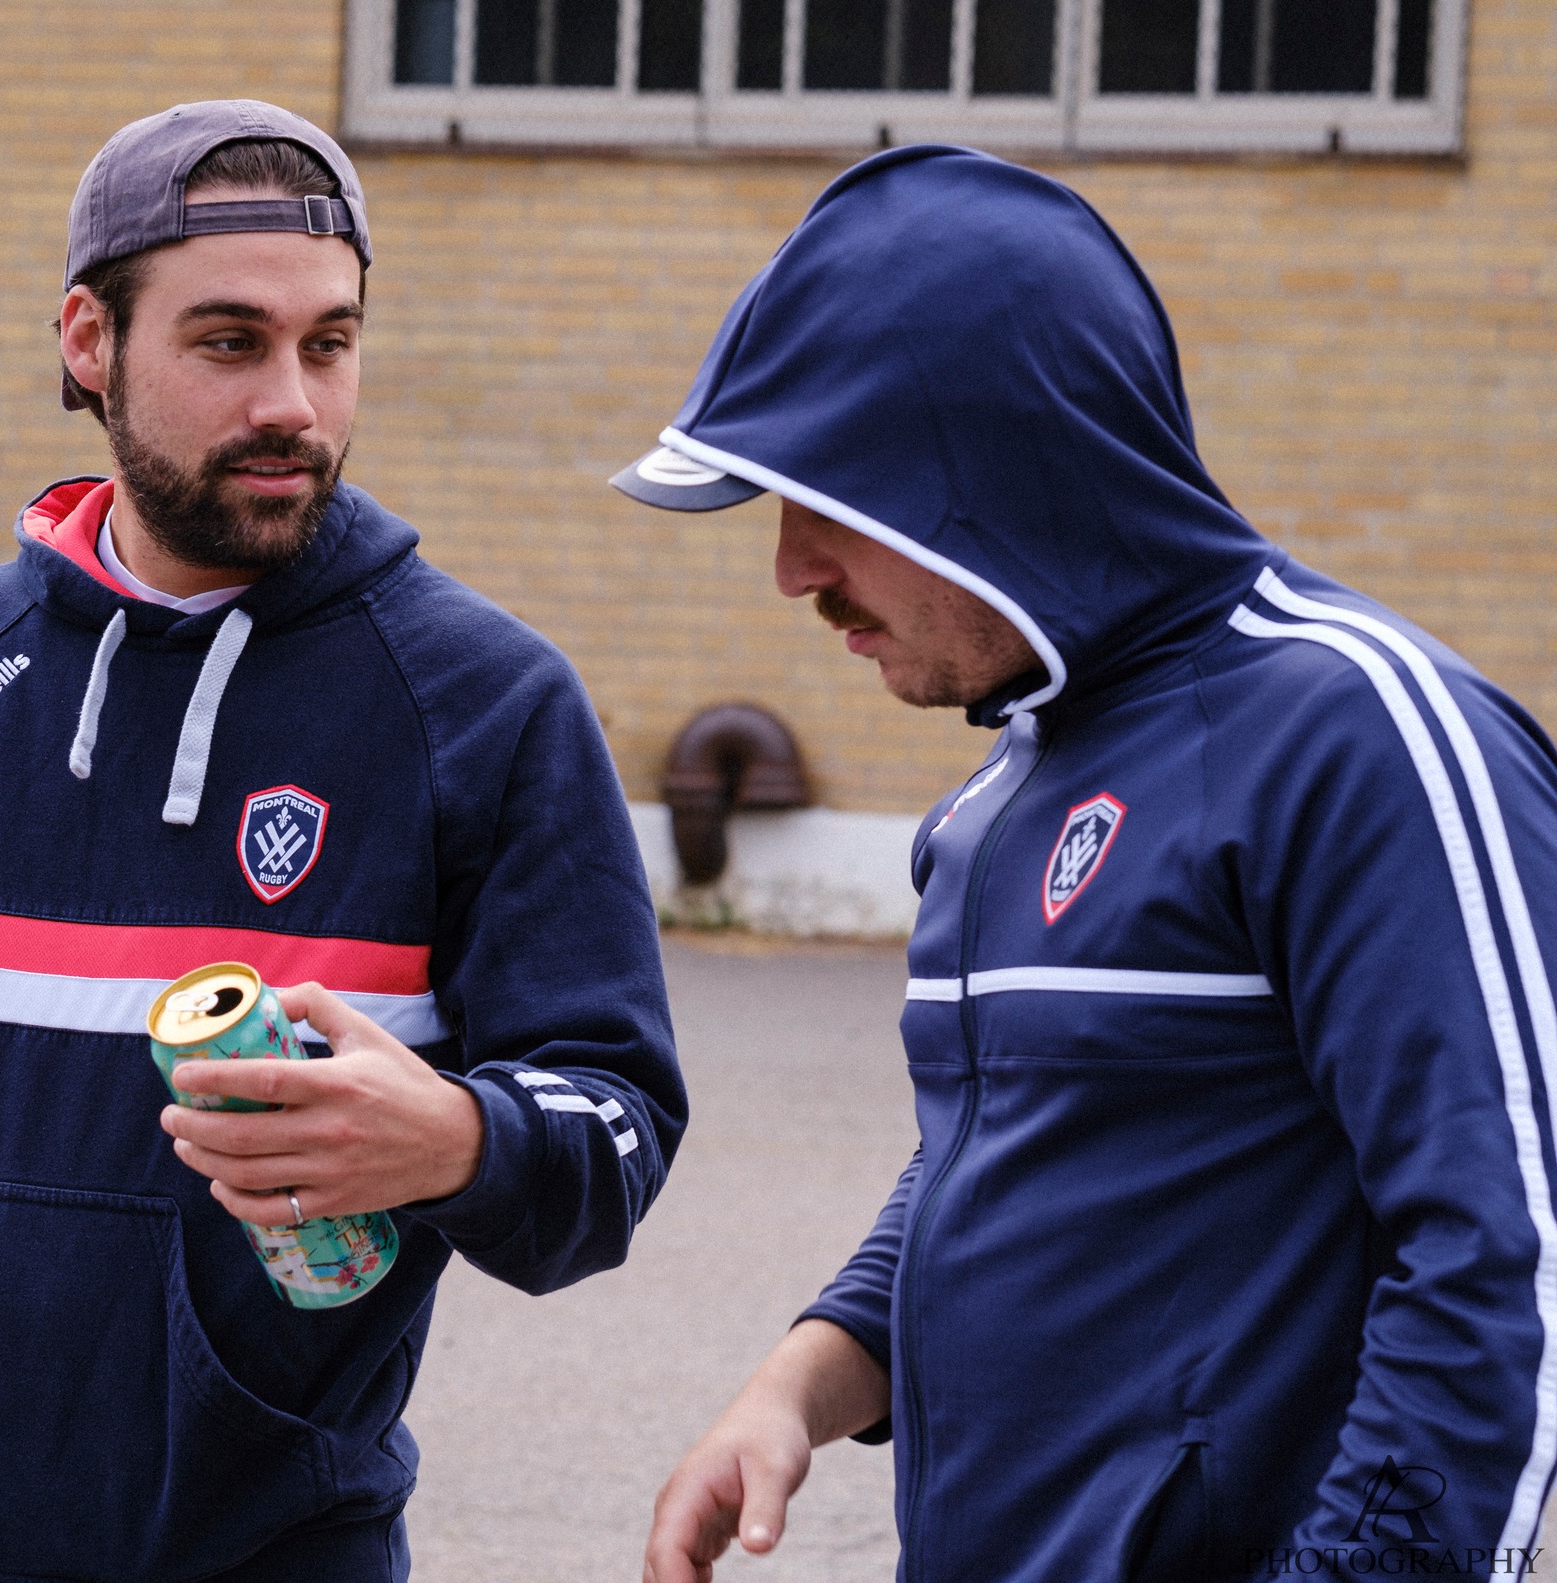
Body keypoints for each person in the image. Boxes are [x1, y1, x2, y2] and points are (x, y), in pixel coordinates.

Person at [0, 100, 684, 1582]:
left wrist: (460, 1141)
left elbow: (615, 1130)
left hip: (274, 1551)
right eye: (229, 343)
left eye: (330, 343)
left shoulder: (485, 706)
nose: (292, 400)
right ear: (89, 343)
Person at [613, 146, 1554, 1582]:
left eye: (830, 501)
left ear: (988, 466)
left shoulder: (1362, 738)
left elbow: (1507, 1266)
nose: (793, 570)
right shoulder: (1005, 786)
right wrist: (801, 1385)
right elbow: (1001, 1155)